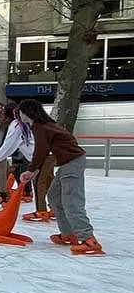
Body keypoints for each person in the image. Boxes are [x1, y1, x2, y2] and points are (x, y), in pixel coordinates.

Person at [18, 100, 102, 255]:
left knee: (71, 201)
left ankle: (89, 240)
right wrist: (35, 170)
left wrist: (31, 170)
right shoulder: (46, 126)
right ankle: (68, 234)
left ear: (28, 112)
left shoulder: (40, 126)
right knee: (55, 196)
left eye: (21, 112)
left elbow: (41, 150)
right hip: (68, 163)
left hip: (73, 162)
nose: (19, 115)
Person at [0, 103, 48, 220]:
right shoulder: (28, 124)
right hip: (45, 155)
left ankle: (42, 211)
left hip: (41, 157)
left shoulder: (17, 125)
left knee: (40, 183)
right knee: (49, 183)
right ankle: (55, 209)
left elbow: (8, 146)